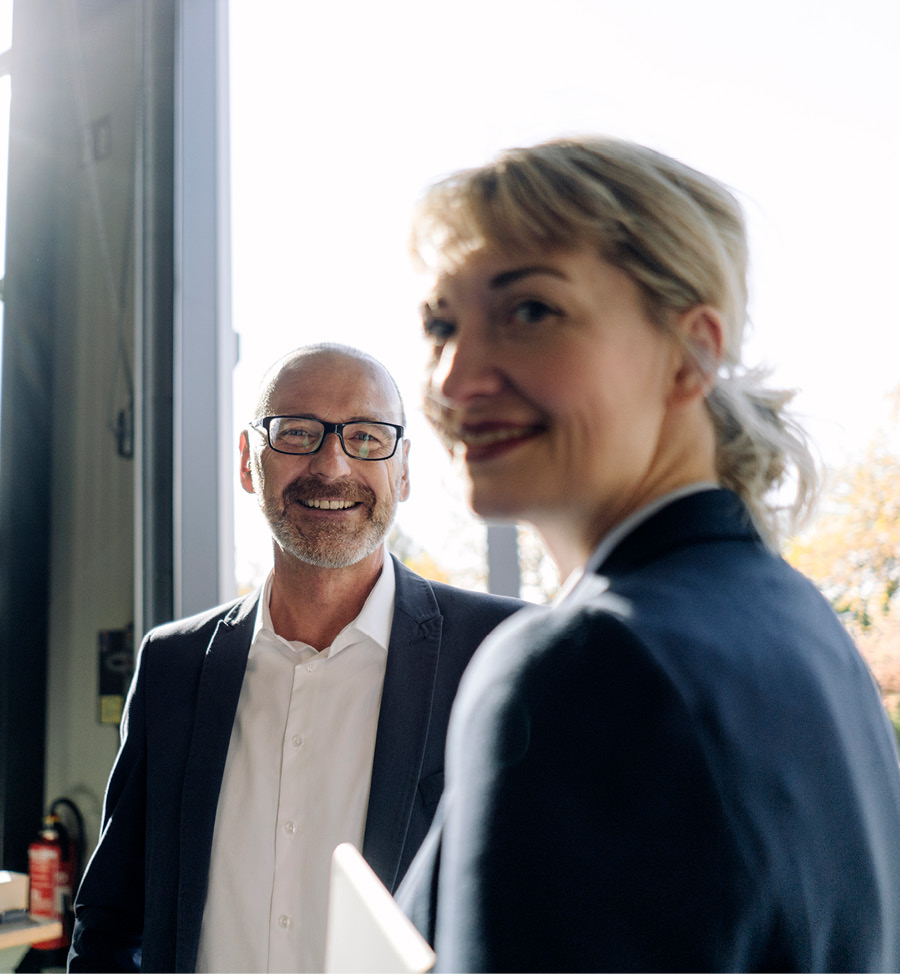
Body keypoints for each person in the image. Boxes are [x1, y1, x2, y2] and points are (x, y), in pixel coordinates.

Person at [395, 137, 900, 972]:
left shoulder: (586, 662)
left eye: (530, 312)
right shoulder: (803, 624)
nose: (455, 379)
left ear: (691, 353)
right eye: (440, 324)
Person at [68, 343, 526, 973]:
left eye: (366, 436)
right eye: (297, 433)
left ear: (404, 471)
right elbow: (112, 920)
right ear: (249, 463)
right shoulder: (175, 665)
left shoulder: (502, 652)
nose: (331, 465)